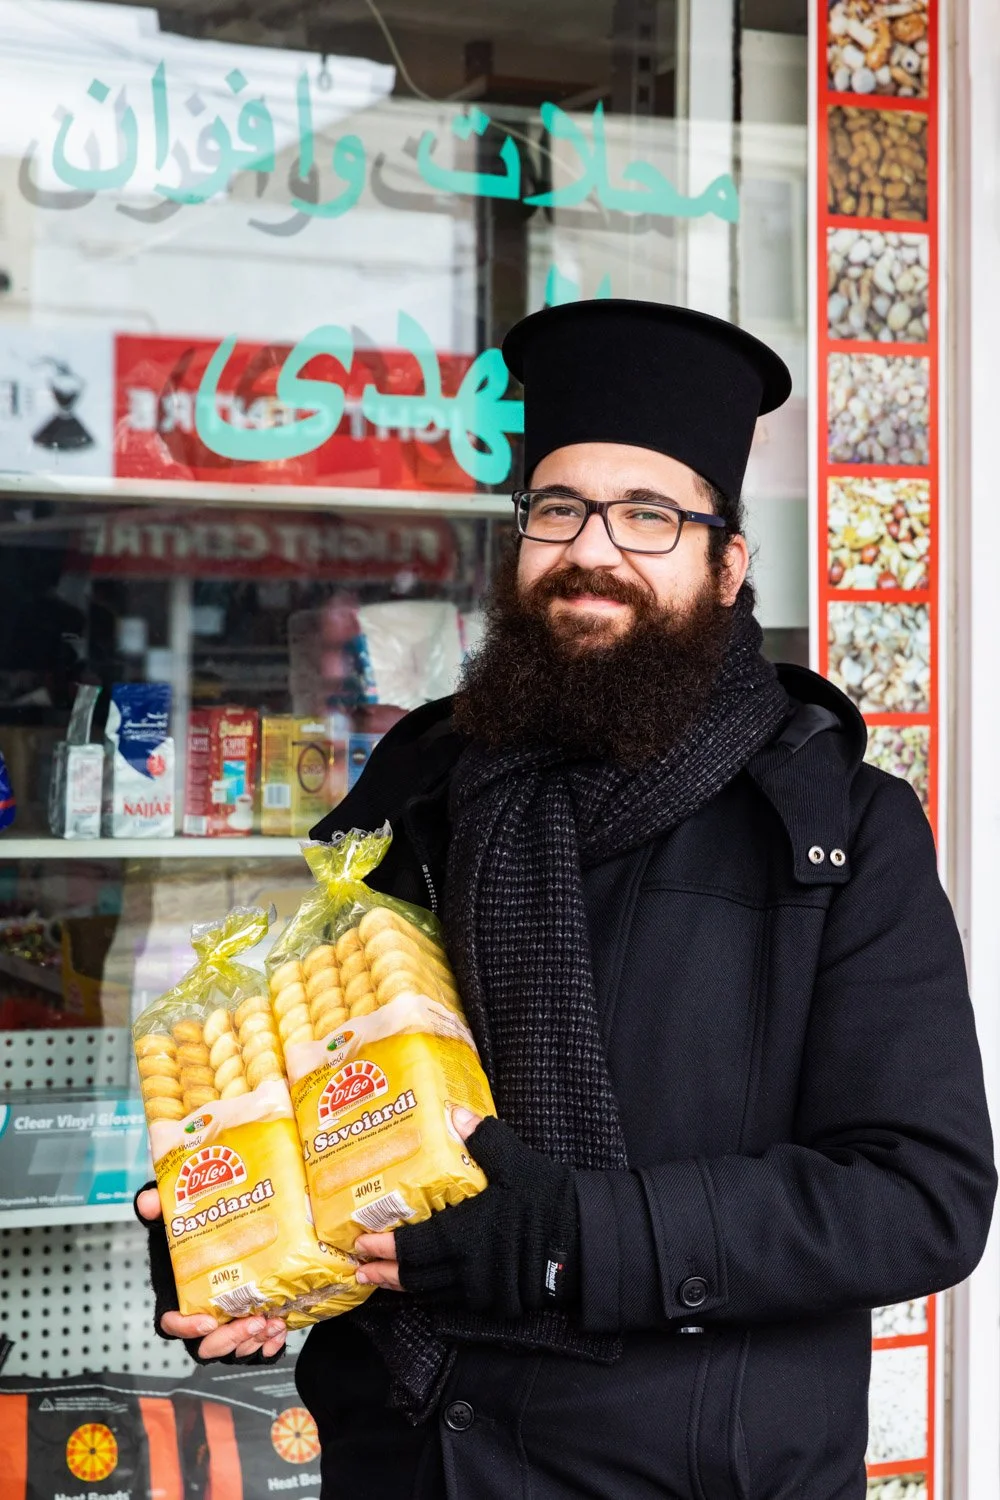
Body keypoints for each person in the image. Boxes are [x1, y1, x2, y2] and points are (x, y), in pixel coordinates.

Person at [137, 300, 996, 1499]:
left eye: (651, 515)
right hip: (409, 1462)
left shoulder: (840, 829)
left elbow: (920, 1202)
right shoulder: (418, 786)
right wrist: (231, 1230)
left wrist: (575, 1241)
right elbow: (318, 1078)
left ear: (727, 563)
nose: (594, 549)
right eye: (558, 509)